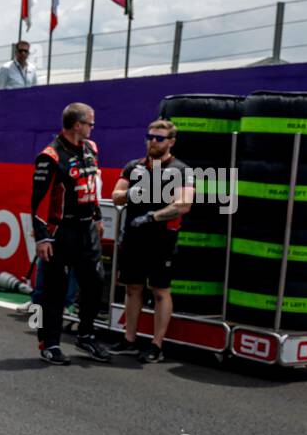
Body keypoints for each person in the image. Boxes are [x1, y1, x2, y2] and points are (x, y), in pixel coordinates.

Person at [108, 119, 195, 364]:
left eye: (159, 138)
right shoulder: (134, 167)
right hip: (134, 238)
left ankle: (156, 345)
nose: (152, 142)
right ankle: (129, 339)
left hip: (162, 239)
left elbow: (184, 204)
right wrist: (133, 194)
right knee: (132, 287)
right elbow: (115, 196)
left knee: (160, 291)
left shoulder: (181, 170)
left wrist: (153, 216)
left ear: (171, 142)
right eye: (150, 137)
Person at [31, 102, 110, 364]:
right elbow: (38, 201)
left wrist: (97, 217)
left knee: (95, 282)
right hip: (60, 232)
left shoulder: (92, 148)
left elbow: (92, 185)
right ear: (77, 125)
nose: (92, 128)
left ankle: (86, 335)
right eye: (90, 123)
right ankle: (48, 343)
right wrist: (42, 236)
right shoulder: (50, 156)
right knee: (52, 292)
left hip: (86, 228)